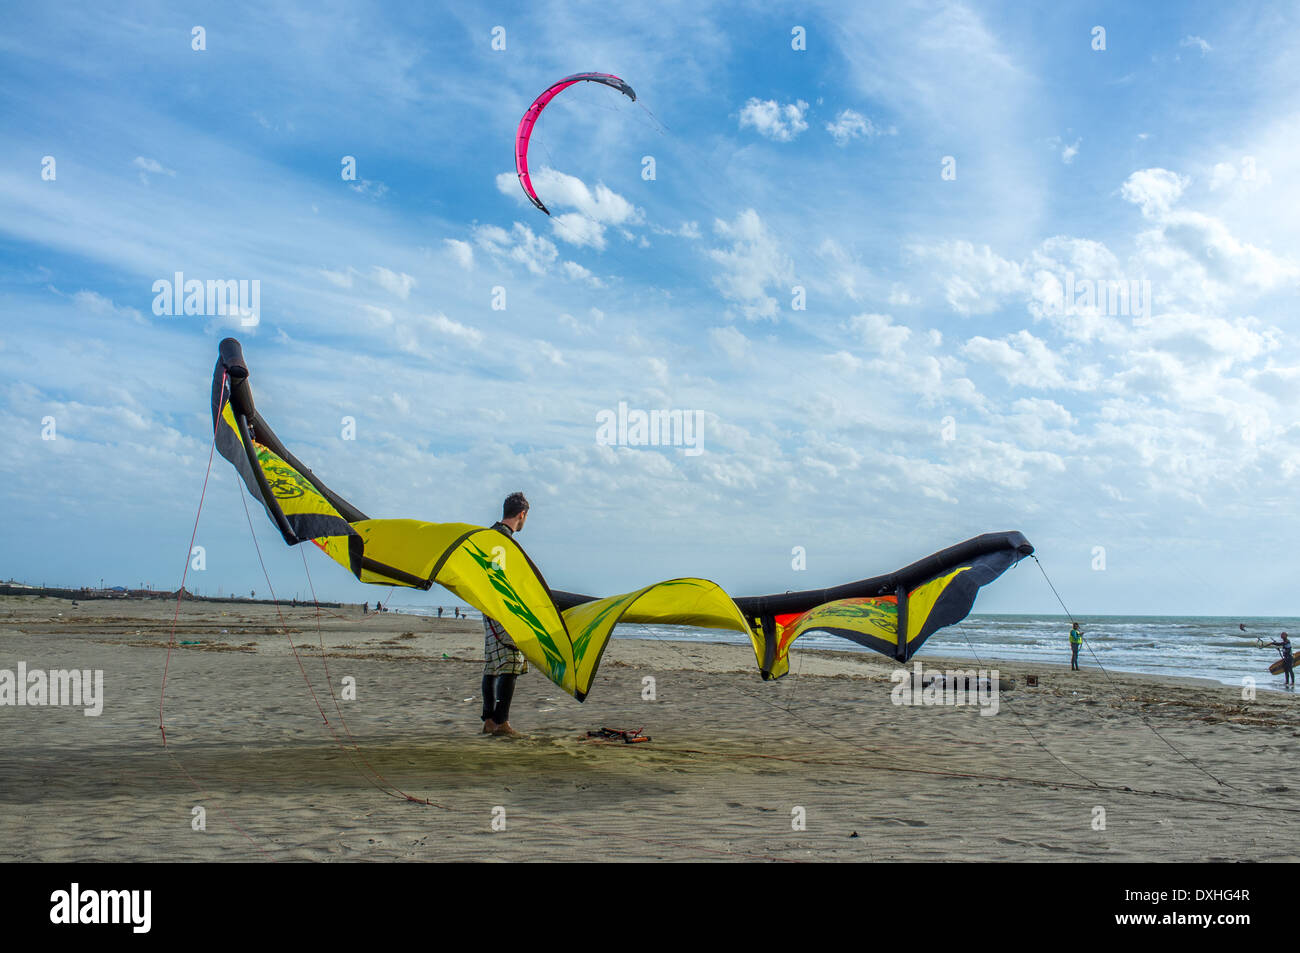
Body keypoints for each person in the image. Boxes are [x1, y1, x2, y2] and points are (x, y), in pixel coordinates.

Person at [481, 492, 530, 737]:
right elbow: (500, 576)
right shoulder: (503, 539)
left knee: (492, 663)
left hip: (487, 607)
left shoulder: (488, 535)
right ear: (521, 514)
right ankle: (502, 723)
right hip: (500, 608)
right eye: (525, 518)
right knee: (511, 660)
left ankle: (489, 720)